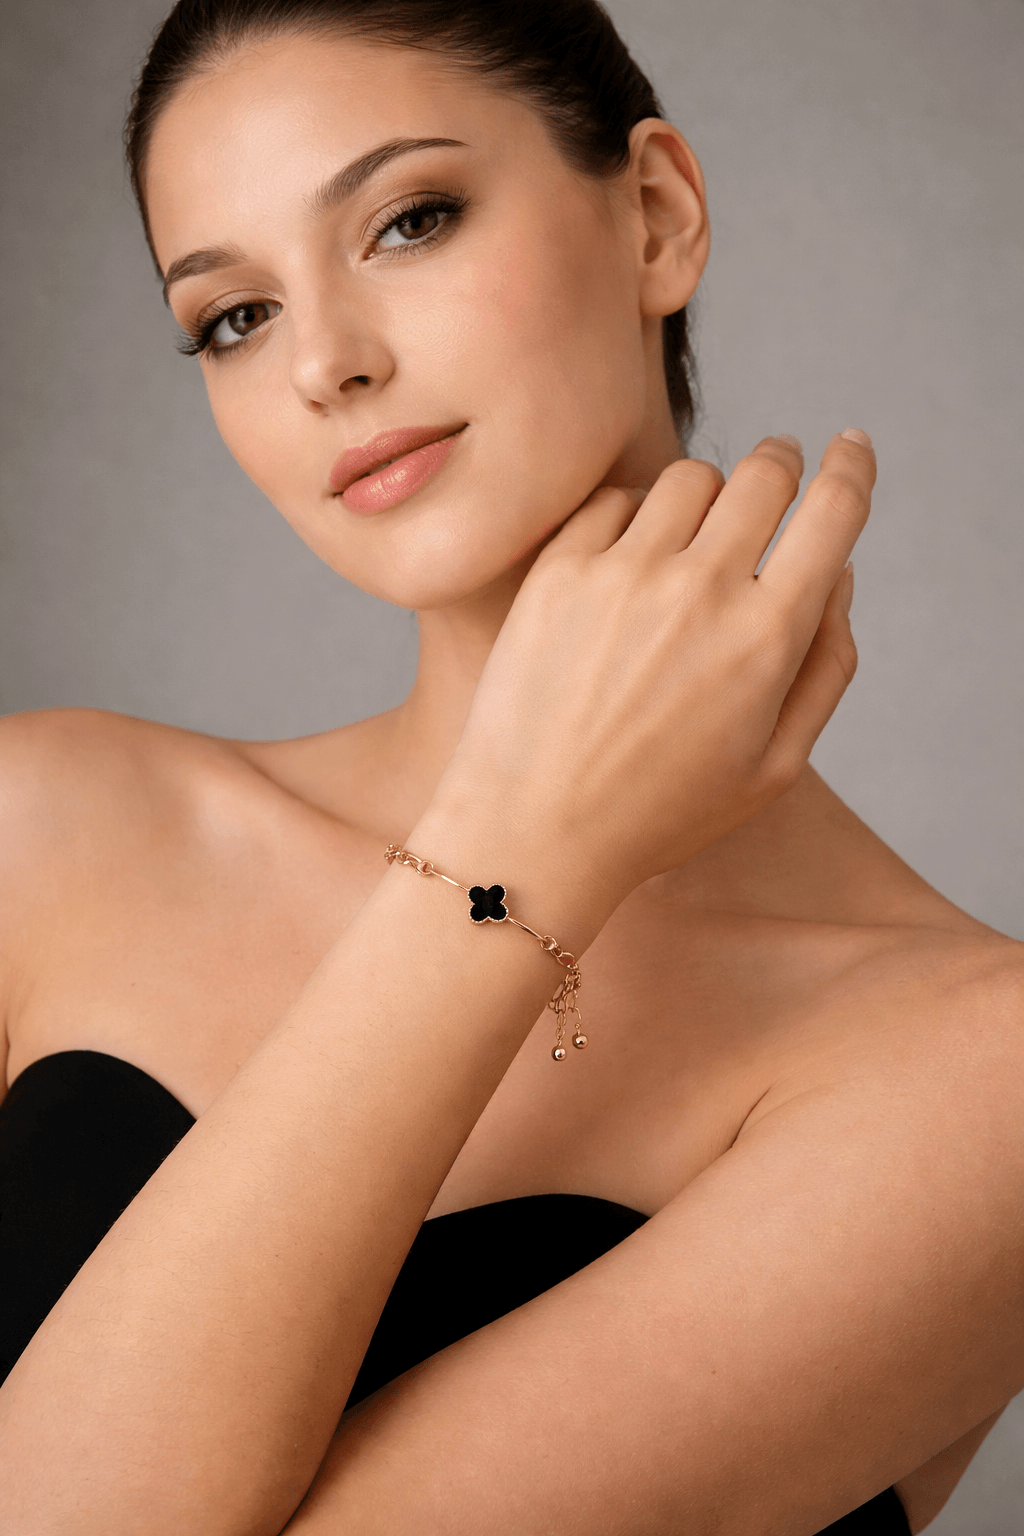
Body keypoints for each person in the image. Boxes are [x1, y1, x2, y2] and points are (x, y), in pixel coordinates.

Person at [0, 2, 1020, 1532]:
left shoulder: (980, 1078)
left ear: (658, 218)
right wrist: (517, 847)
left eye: (409, 221)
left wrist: (516, 858)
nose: (326, 365)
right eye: (234, 316)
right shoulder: (42, 826)